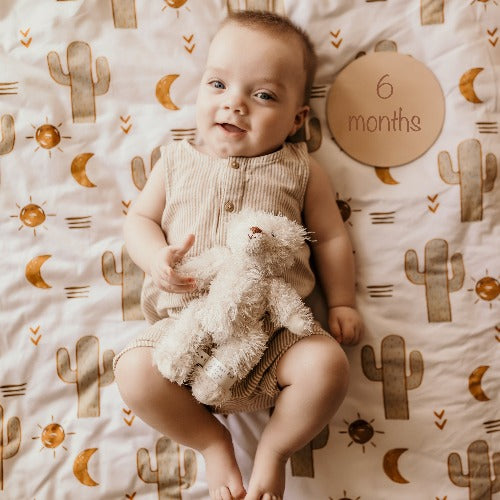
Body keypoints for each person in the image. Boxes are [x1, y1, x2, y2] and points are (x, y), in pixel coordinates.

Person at [114, 10, 363, 500]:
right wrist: (156, 258)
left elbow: (332, 239)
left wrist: (343, 303)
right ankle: (212, 443)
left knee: (328, 367)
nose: (235, 104)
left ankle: (273, 451)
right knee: (132, 372)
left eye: (263, 94)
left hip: (274, 338)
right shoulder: (177, 161)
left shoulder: (301, 169)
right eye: (218, 84)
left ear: (297, 118)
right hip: (182, 334)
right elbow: (137, 221)